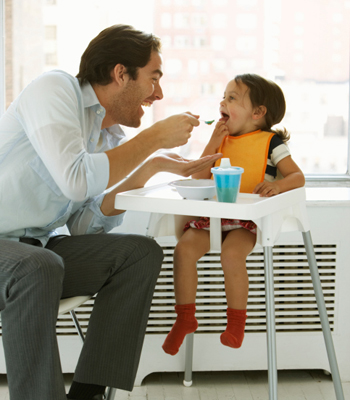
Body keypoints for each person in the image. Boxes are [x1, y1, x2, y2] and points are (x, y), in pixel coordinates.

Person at [0, 24, 221, 400]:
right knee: (40, 265)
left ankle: (86, 395)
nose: (159, 94)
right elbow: (75, 180)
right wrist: (151, 139)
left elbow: (83, 224)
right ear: (121, 74)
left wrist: (149, 167)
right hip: (17, 257)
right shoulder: (54, 90)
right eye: (154, 78)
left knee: (139, 254)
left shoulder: (108, 138)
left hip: (37, 251)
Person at [162, 73, 305, 356]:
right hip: (211, 217)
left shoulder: (272, 143)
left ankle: (237, 323)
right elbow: (199, 177)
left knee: (231, 255)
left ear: (257, 113)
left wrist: (276, 185)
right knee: (183, 251)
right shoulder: (221, 139)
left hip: (246, 221)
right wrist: (213, 143)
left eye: (231, 98)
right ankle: (185, 318)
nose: (222, 102)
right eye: (223, 97)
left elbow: (297, 177)